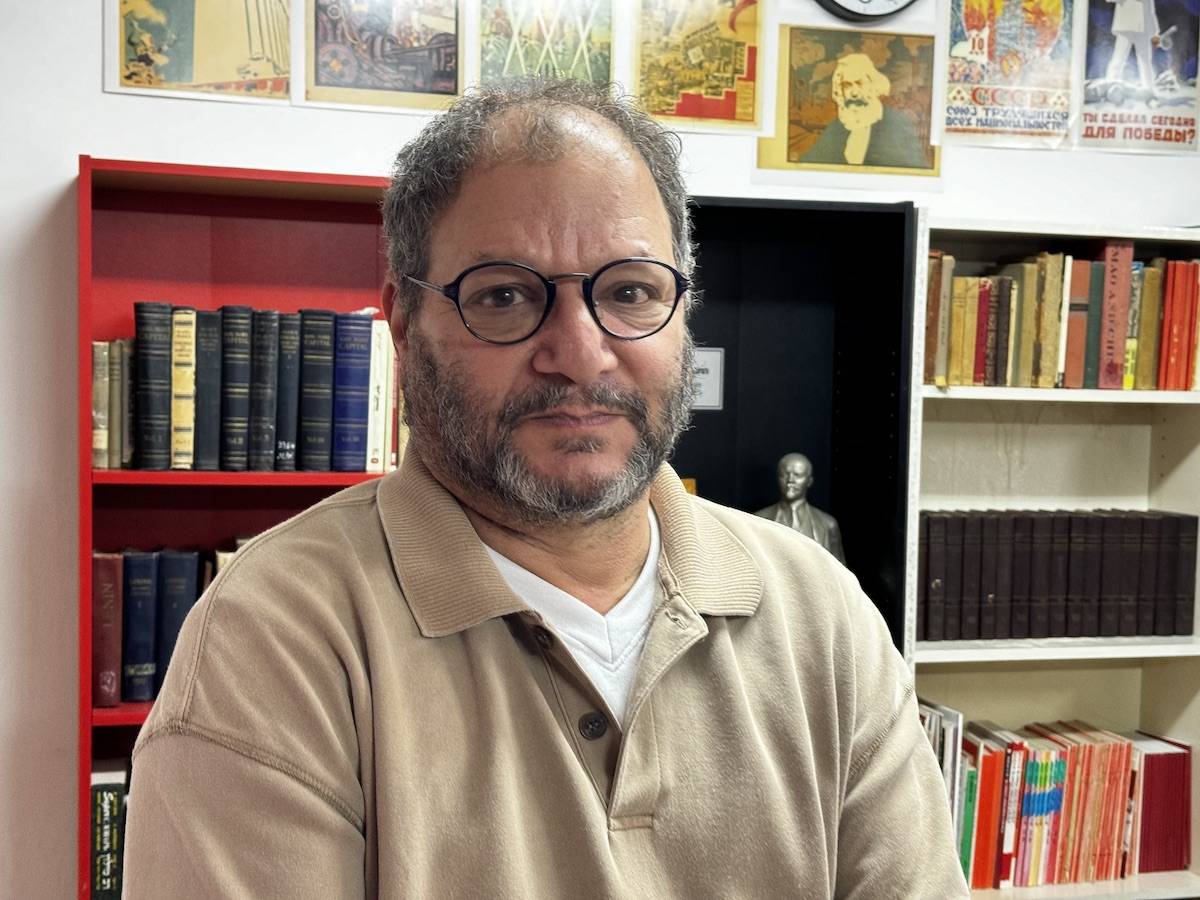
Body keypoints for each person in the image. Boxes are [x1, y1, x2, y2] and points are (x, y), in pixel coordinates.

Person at [122, 79, 968, 898]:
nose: (580, 351)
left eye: (631, 290)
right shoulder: (272, 641)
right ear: (405, 327)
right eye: (503, 295)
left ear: (682, 313)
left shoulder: (822, 613)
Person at [802, 53, 928, 169]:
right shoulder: (835, 127)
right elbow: (806, 169)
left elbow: (918, 175)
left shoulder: (897, 123)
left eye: (859, 83)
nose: (854, 93)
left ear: (872, 85)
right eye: (847, 85)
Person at [755, 452, 845, 563]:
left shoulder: (828, 524)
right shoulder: (758, 520)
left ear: (809, 481)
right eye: (784, 474)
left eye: (797, 475)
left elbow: (840, 574)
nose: (790, 480)